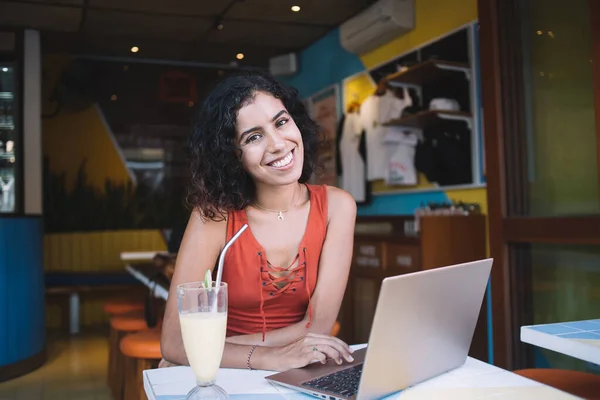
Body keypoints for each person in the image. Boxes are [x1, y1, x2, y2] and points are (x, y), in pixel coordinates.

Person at [160, 70, 357, 372]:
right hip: (224, 374)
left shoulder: (337, 207)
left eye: (281, 122)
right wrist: (268, 357)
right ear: (231, 156)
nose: (278, 144)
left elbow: (318, 328)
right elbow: (174, 344)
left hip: (293, 369)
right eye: (253, 137)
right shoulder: (214, 215)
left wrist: (206, 347)